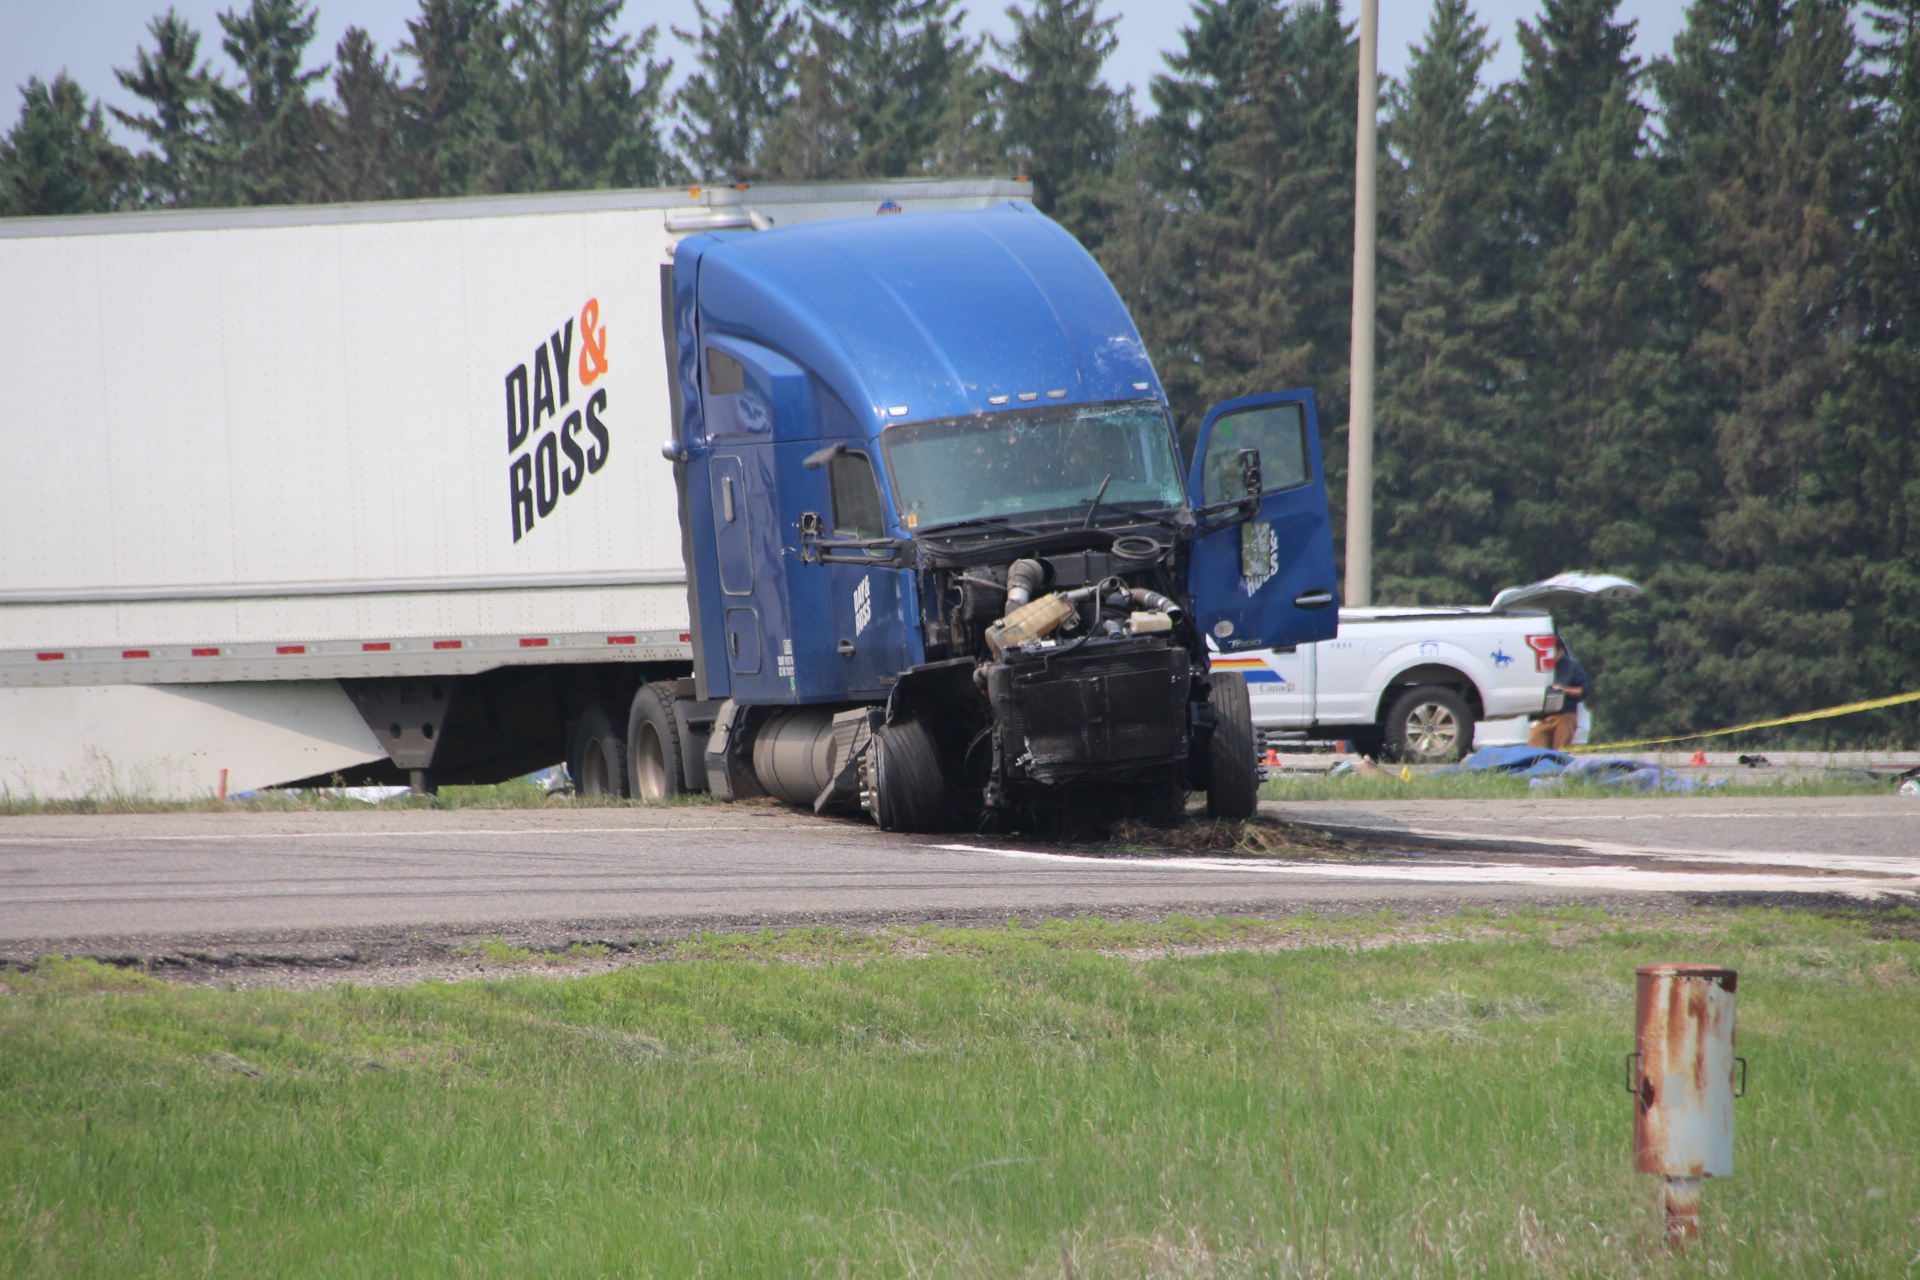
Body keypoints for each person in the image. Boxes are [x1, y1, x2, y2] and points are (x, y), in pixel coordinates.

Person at [1528, 633, 1589, 750]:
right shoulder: (1538, 666)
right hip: (1541, 717)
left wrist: (1563, 690)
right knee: (1533, 748)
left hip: (1565, 715)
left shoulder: (1572, 666)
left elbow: (1583, 691)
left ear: (1559, 650)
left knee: (1560, 751)